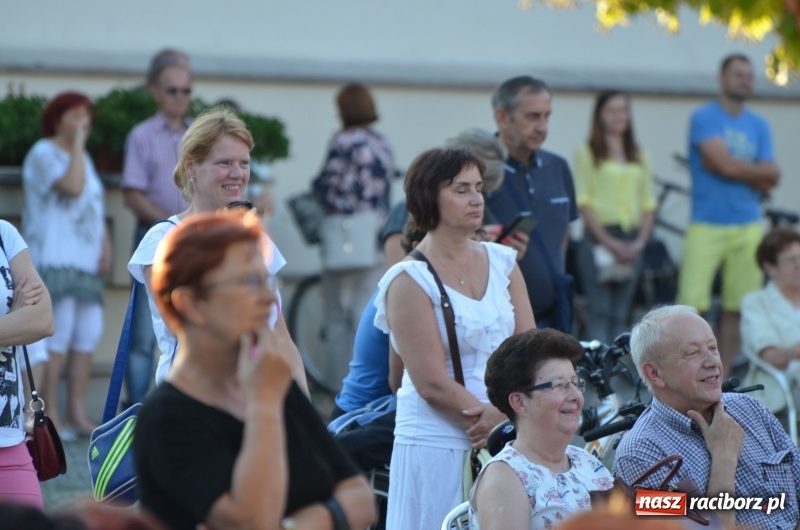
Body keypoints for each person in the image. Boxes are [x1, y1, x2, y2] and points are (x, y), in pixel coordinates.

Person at [135, 211, 375, 530]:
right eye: (249, 281)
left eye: (268, 280)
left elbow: (361, 498)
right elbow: (252, 522)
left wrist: (304, 524)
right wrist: (263, 405)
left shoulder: (272, 380)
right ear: (191, 303)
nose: (269, 299)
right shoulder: (167, 417)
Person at [374, 147, 536, 529]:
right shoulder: (407, 279)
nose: (477, 199)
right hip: (436, 442)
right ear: (429, 198)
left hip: (505, 431)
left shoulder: (503, 263)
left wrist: (505, 416)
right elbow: (428, 383)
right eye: (461, 189)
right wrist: (498, 419)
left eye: (478, 188)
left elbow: (531, 351)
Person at [128, 107, 308, 394]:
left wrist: (305, 417)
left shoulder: (254, 240)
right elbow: (200, 333)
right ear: (190, 166)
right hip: (195, 403)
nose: (237, 174)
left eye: (244, 163)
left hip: (257, 401)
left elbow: (281, 339)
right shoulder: (165, 239)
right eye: (224, 163)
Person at [613, 304, 800, 529]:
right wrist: (724, 458)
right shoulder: (640, 455)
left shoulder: (749, 409)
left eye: (713, 348)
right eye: (692, 353)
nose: (712, 362)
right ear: (654, 373)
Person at [676, 53, 781, 375]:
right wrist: (754, 173)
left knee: (740, 306)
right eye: (738, 75)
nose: (745, 81)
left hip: (748, 224)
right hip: (707, 223)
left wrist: (732, 166)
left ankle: (721, 376)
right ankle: (688, 371)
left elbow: (773, 175)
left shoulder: (758, 124)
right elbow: (722, 164)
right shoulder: (704, 117)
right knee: (691, 305)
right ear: (723, 78)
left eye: (749, 76)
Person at [22, 91, 111, 437]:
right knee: (57, 335)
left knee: (87, 332)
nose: (81, 122)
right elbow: (73, 188)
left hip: (84, 262)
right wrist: (77, 145)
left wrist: (104, 244)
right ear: (57, 119)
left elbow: (93, 203)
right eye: (74, 115)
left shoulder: (83, 157)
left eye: (85, 115)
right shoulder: (43, 153)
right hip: (55, 260)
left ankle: (76, 412)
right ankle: (52, 414)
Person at [469, 328, 613, 529]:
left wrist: (671, 502)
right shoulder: (504, 478)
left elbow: (634, 512)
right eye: (558, 385)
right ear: (519, 402)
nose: (576, 396)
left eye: (575, 383)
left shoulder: (585, 461)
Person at [121, 48, 192, 404]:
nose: (180, 98)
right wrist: (170, 225)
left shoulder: (199, 134)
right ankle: (137, 414)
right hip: (156, 238)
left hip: (196, 242)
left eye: (185, 90)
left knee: (191, 327)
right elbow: (132, 193)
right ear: (155, 92)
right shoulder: (141, 135)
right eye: (172, 90)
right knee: (144, 339)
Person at [312, 83, 394, 391]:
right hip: (376, 240)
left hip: (345, 243)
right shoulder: (381, 143)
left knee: (336, 322)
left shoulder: (343, 142)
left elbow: (327, 188)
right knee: (366, 320)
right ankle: (369, 391)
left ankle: (339, 393)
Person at [485, 76, 578, 332]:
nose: (542, 127)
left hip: (555, 314)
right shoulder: (478, 171)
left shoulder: (558, 167)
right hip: (499, 321)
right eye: (532, 116)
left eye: (547, 116)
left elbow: (563, 236)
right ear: (503, 117)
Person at [573, 90, 656, 344]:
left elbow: (648, 202)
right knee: (599, 311)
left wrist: (640, 242)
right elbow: (583, 201)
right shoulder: (587, 152)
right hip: (600, 238)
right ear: (600, 115)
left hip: (632, 239)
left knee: (622, 313)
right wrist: (609, 242)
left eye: (623, 110)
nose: (619, 116)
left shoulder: (639, 154)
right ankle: (597, 376)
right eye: (612, 111)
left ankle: (618, 376)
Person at [0, 221, 54, 509]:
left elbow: (44, 319)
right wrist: (14, 320)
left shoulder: (4, 234)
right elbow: (27, 321)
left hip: (9, 442)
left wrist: (25, 319)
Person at [741, 227, 800, 413]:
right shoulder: (756, 303)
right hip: (783, 387)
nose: (799, 265)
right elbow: (771, 357)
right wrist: (794, 351)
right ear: (770, 268)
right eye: (792, 260)